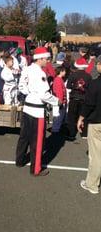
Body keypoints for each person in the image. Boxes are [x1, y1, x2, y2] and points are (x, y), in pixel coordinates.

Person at [15, 47, 59, 176]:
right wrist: (57, 101)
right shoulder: (40, 73)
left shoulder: (27, 69)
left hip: (28, 107)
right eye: (46, 59)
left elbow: (21, 86)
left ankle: (19, 160)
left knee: (24, 137)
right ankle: (36, 169)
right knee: (37, 141)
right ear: (40, 59)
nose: (48, 61)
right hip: (37, 110)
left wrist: (30, 93)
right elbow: (44, 95)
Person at [77, 55, 101, 194]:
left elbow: (89, 104)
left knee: (96, 155)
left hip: (96, 122)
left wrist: (81, 118)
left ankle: (92, 184)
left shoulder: (95, 83)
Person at [66, 57, 91, 140]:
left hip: (74, 97)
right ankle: (84, 133)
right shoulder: (88, 76)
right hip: (84, 98)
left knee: (72, 116)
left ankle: (71, 134)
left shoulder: (73, 75)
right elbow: (90, 88)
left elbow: (68, 86)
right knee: (83, 116)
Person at [52, 66, 67, 133]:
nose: (65, 72)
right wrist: (60, 101)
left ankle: (56, 128)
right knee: (58, 116)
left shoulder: (59, 79)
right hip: (59, 101)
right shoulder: (58, 80)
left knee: (59, 115)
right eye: (64, 71)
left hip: (59, 100)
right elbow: (59, 92)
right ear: (61, 72)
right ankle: (55, 129)